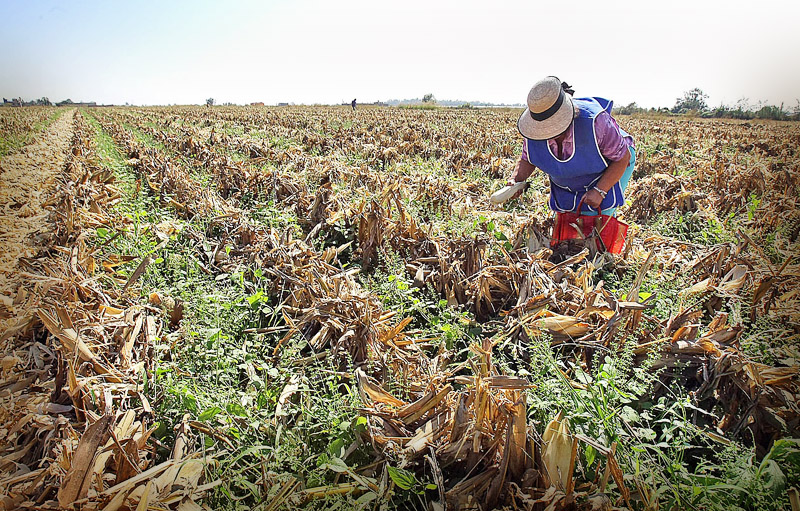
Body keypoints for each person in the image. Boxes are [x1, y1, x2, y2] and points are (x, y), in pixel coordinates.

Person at [508, 76, 635, 216]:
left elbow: (622, 158)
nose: (547, 133)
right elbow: (528, 159)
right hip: (569, 177)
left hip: (614, 162)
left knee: (597, 217)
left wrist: (600, 191)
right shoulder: (533, 131)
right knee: (565, 215)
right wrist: (515, 180)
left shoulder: (594, 122)